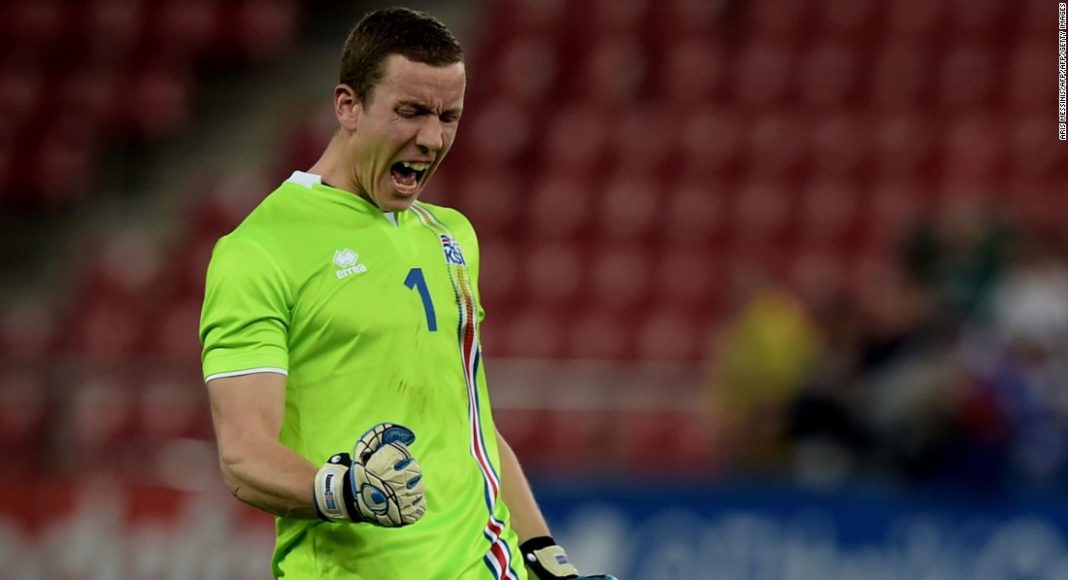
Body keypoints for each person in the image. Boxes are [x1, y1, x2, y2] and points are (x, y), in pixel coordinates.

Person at [199, 8, 615, 580]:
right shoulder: (259, 251)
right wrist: (347, 490)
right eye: (411, 112)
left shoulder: (452, 237)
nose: (432, 138)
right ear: (348, 106)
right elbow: (245, 456)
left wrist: (544, 551)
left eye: (449, 116)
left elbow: (469, 422)